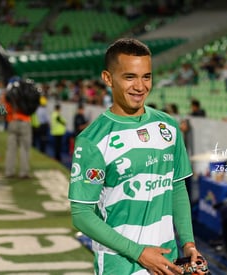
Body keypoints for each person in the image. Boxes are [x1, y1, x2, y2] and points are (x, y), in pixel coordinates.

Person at [68, 38, 205, 275]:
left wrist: (189, 244)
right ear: (108, 78)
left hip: (167, 261)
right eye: (130, 77)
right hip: (119, 265)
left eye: (147, 77)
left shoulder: (168, 127)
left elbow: (177, 188)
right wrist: (139, 252)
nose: (140, 86)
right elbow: (81, 216)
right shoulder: (92, 140)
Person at [3, 79, 33, 179]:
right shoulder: (25, 92)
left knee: (11, 149)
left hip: (12, 122)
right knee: (25, 149)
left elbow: (4, 109)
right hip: (25, 122)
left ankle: (9, 171)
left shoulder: (8, 94)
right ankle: (23, 172)